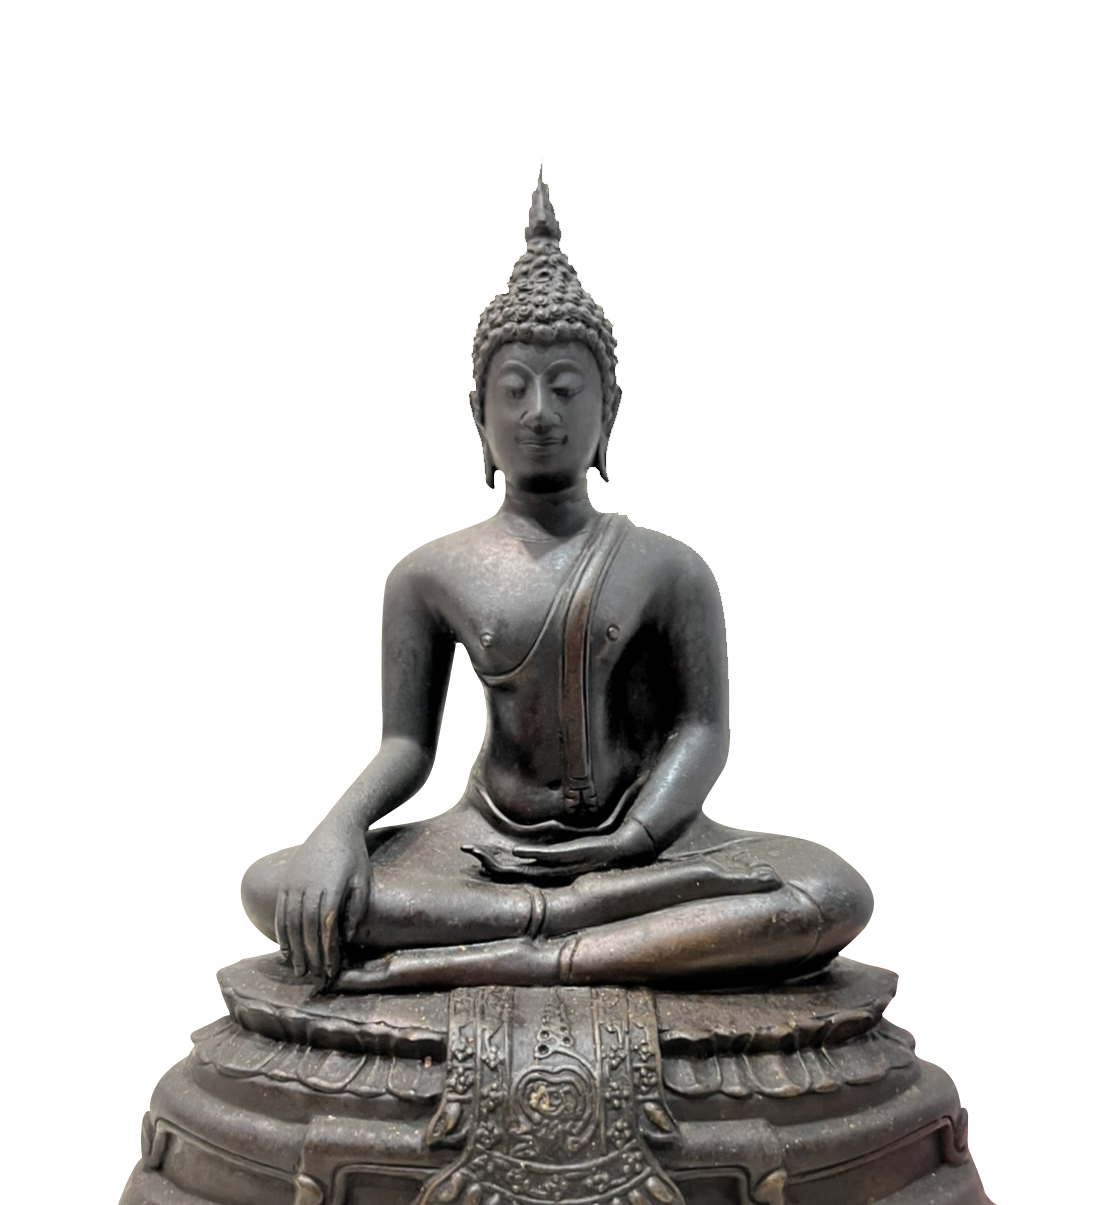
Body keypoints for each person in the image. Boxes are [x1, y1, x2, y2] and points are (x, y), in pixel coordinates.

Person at [240, 164, 873, 991]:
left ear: (610, 411)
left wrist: (630, 841)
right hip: (483, 847)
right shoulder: (427, 574)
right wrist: (339, 829)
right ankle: (578, 925)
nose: (540, 411)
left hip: (653, 847)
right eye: (515, 390)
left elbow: (701, 733)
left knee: (830, 890)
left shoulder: (671, 566)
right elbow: (406, 746)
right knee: (275, 885)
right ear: (479, 416)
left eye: (567, 388)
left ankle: (535, 948)